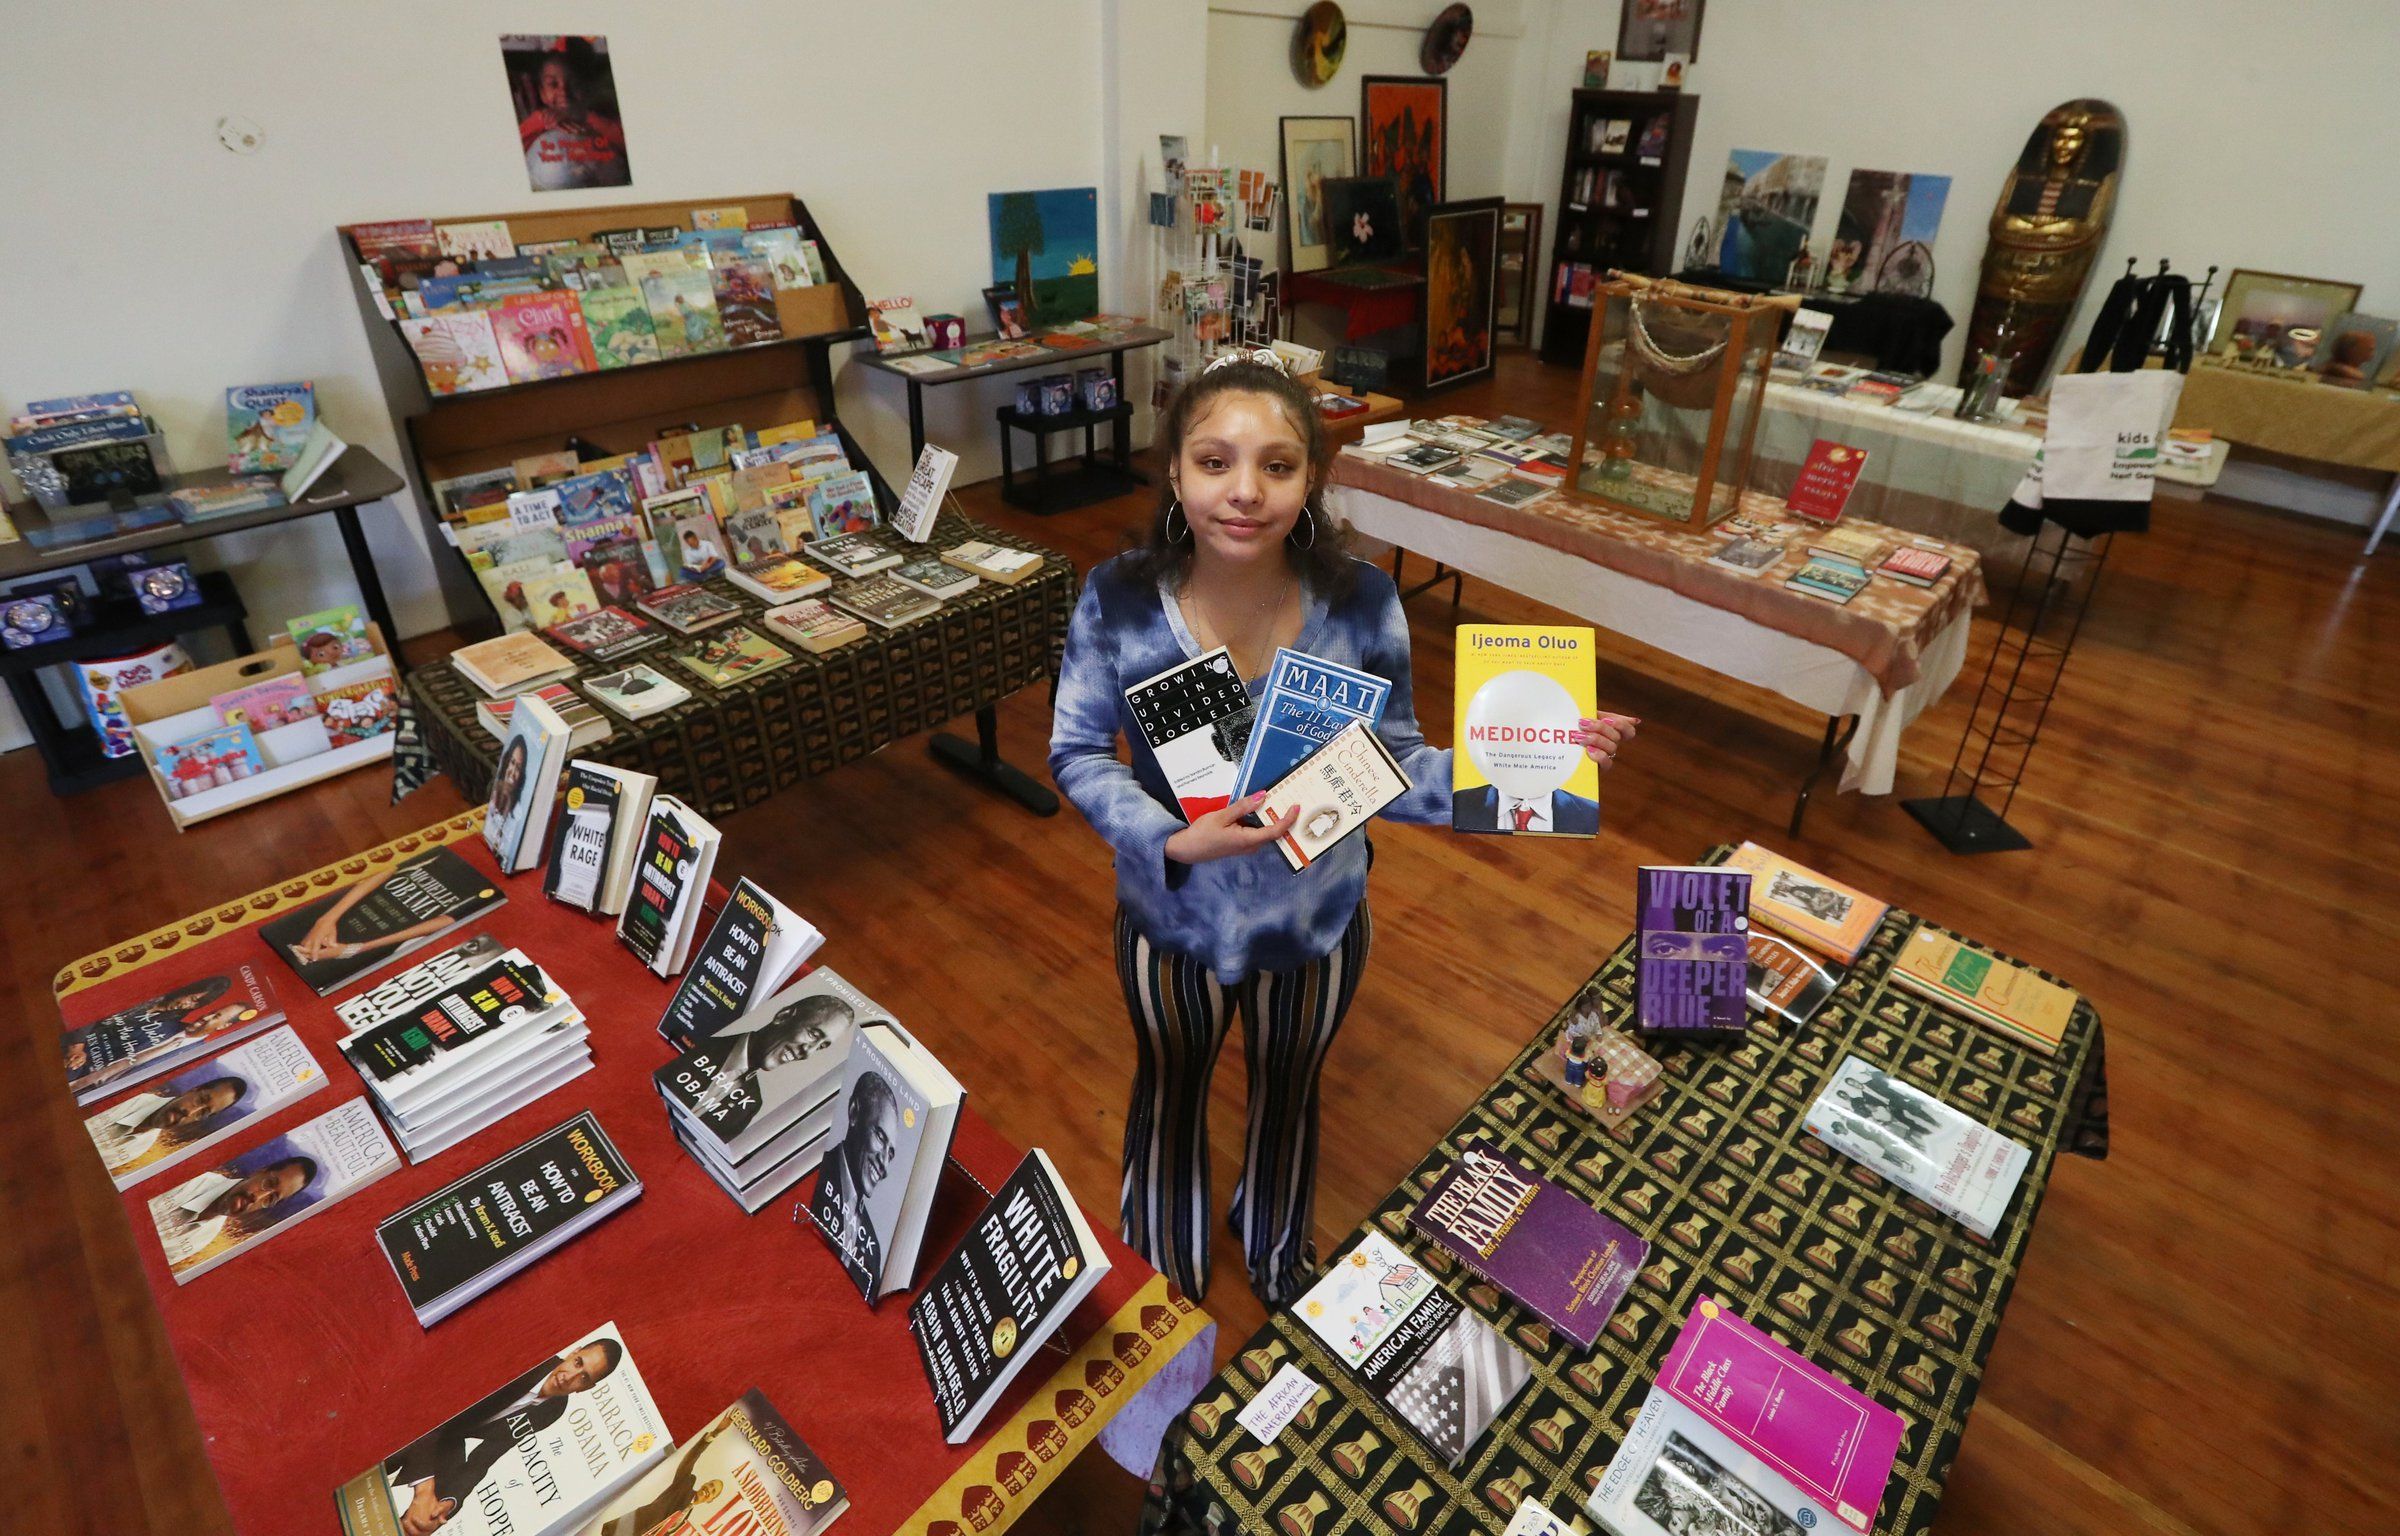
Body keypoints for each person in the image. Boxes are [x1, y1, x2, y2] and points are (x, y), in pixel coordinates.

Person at [1048, 353, 1635, 1303]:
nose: (1244, 493)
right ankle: (1161, 1273)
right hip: (1170, 920)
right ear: (1173, 471)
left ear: (1313, 478)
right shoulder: (1118, 597)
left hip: (1314, 923)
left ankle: (1278, 1247)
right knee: (1170, 1086)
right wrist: (1169, 837)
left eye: (1277, 466)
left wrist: (1541, 761)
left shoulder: (1359, 600)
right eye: (1214, 462)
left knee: (1289, 1089)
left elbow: (1388, 761)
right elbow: (1077, 751)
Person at [382, 1338, 625, 1536]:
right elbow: (437, 1406)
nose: (570, 1377)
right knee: (397, 1455)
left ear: (586, 1388)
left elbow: (485, 1458)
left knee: (437, 1510)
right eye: (578, 1362)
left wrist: (448, 1503)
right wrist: (424, 1490)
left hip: (451, 1434)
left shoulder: (554, 1410)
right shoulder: (531, 1355)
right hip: (423, 1411)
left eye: (584, 1378)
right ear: (575, 1351)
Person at [813, 1068, 903, 1286]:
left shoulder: (873, 1248)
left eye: (890, 1153)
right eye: (880, 1137)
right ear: (854, 1113)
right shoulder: (818, 1177)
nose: (884, 1163)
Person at [159, 1153, 317, 1271]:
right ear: (259, 1171)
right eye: (269, 1183)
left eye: (271, 1198)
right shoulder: (193, 1178)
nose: (257, 1197)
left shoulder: (206, 1236)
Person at [96, 1074, 247, 1174]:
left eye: (203, 1112)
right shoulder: (127, 1096)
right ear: (193, 1090)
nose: (190, 1112)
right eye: (200, 1100)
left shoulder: (141, 1146)